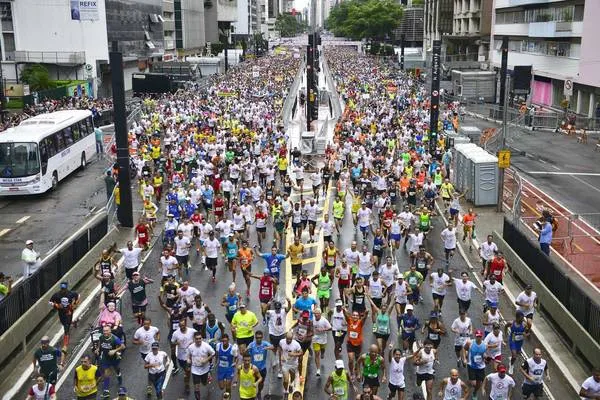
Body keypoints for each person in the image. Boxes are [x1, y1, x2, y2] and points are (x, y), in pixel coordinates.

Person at [50, 281, 80, 352]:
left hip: (69, 312)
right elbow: (50, 301)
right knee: (64, 323)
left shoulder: (71, 293)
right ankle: (73, 322)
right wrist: (56, 305)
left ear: (66, 288)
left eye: (64, 289)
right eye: (62, 289)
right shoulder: (57, 295)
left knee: (66, 328)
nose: (63, 290)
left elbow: (78, 296)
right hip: (61, 313)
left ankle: (65, 345)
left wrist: (75, 304)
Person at [186, 331, 216, 398]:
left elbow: (213, 353)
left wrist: (206, 360)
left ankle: (208, 379)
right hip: (195, 369)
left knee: (204, 383)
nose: (198, 340)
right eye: (197, 339)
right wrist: (188, 360)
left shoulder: (206, 346)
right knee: (196, 387)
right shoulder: (191, 347)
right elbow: (188, 356)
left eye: (200, 338)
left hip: (205, 369)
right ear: (194, 339)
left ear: (202, 338)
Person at [246, 330, 273, 398]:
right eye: (257, 338)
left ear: (262, 337)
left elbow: (273, 347)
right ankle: (252, 394)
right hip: (253, 369)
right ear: (255, 337)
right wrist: (246, 350)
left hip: (262, 368)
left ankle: (259, 392)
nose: (258, 339)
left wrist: (268, 347)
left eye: (260, 337)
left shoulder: (265, 344)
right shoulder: (251, 345)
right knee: (252, 383)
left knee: (261, 383)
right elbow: (245, 355)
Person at [278, 331, 303, 397]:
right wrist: (281, 356)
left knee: (292, 376)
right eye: (287, 339)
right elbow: (280, 348)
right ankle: (286, 390)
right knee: (286, 380)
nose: (289, 340)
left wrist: (294, 354)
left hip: (293, 364)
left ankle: (291, 383)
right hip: (285, 364)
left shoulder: (296, 344)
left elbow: (301, 353)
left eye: (290, 339)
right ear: (285, 337)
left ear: (292, 338)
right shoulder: (281, 342)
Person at [464, 329, 487, 398]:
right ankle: (470, 382)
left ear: (482, 337)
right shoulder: (470, 343)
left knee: (478, 384)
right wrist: (464, 359)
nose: (479, 338)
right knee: (474, 383)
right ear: (475, 336)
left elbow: (484, 354)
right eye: (477, 336)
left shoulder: (484, 345)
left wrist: (485, 357)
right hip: (471, 365)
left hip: (480, 366)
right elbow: (464, 349)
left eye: (480, 336)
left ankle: (474, 392)